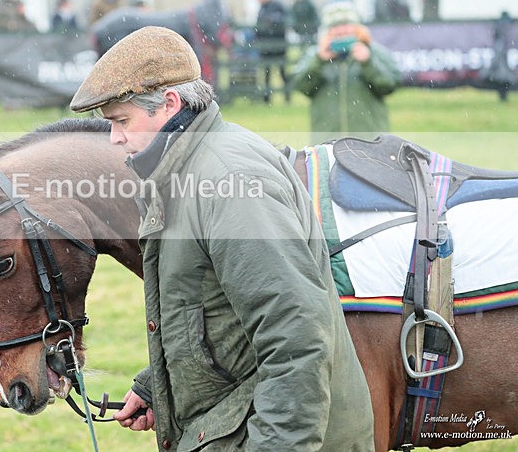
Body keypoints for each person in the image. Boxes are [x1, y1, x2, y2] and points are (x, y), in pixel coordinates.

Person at [69, 26, 374, 451]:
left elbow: (296, 336)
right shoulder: (182, 171)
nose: (115, 137)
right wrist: (161, 386)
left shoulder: (229, 182)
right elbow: (211, 311)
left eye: (122, 121)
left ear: (170, 104)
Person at [291, 0, 401, 144]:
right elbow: (301, 86)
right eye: (335, 26)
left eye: (346, 24)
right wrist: (319, 60)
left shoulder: (375, 52)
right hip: (327, 145)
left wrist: (368, 62)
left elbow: (390, 85)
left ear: (356, 26)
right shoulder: (314, 54)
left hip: (370, 144)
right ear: (328, 30)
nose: (341, 30)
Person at [251, 0, 290, 103]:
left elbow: (285, 20)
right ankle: (267, 98)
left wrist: (272, 20)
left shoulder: (277, 5)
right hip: (266, 46)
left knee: (282, 71)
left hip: (278, 45)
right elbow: (259, 26)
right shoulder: (262, 7)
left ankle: (287, 97)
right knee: (267, 73)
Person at [479, 10, 516, 102]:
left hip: (501, 62)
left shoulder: (500, 27)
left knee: (502, 82)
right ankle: (503, 98)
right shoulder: (505, 29)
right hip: (502, 63)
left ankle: (502, 98)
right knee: (503, 81)